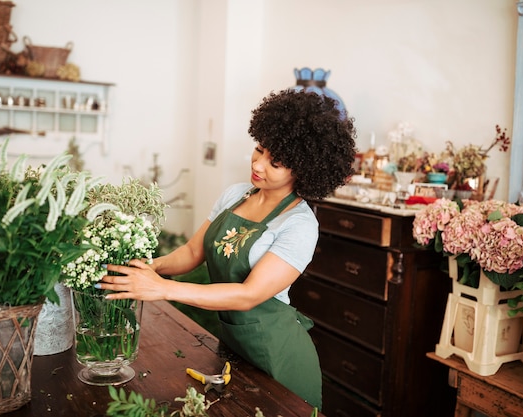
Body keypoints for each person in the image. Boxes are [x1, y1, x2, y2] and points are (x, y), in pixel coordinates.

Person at [97, 89, 357, 409]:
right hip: (234, 348)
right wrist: (150, 267)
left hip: (279, 357)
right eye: (259, 150)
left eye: (274, 162)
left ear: (302, 170)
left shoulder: (299, 225)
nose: (259, 164)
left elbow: (248, 295)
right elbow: (193, 252)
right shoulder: (236, 195)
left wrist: (162, 289)